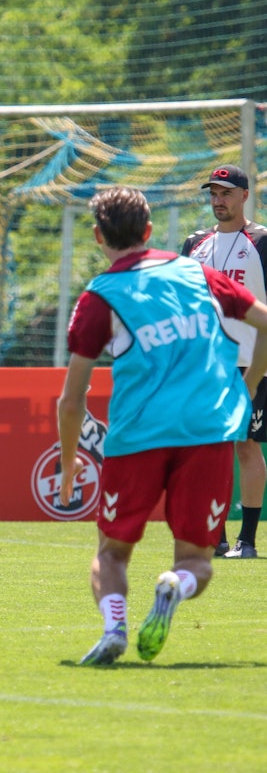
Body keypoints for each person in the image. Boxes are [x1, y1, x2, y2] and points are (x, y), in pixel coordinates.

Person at [58, 186, 267, 666]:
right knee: (197, 561)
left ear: (97, 236)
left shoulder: (100, 295)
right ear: (150, 231)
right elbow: (265, 323)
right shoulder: (199, 272)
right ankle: (175, 584)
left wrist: (69, 468)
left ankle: (114, 628)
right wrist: (250, 383)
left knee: (111, 553)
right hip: (207, 432)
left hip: (138, 437)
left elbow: (72, 400)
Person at [181, 164, 267, 559]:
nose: (219, 200)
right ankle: (214, 537)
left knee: (246, 447)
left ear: (244, 196)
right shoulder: (194, 243)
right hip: (205, 364)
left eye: (226, 193)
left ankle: (247, 541)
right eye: (213, 193)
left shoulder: (263, 241)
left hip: (252, 362)